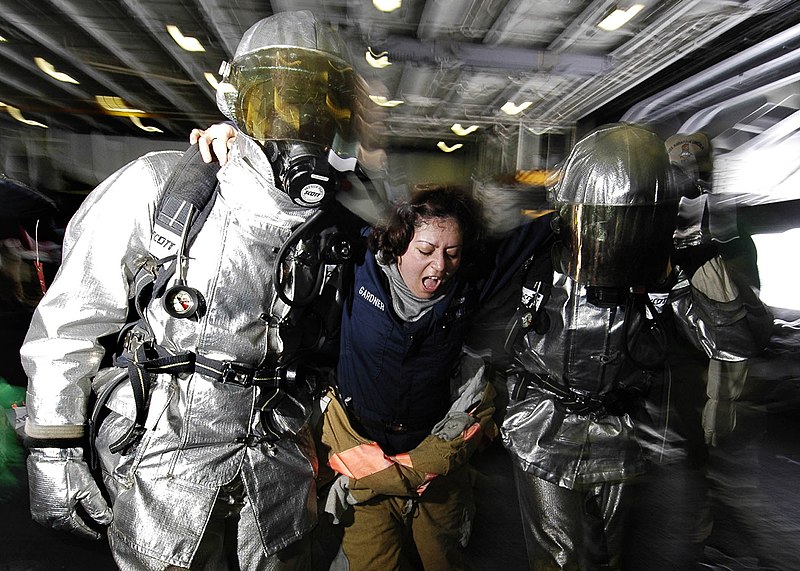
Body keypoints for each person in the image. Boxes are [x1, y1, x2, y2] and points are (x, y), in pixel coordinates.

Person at [20, 11, 366, 570]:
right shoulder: (164, 188)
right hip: (162, 478)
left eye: (319, 105)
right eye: (277, 100)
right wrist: (54, 451)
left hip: (278, 481)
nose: (296, 122)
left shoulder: (331, 226)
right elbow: (70, 324)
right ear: (240, 104)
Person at [192, 124, 554, 570]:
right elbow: (300, 186)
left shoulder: (469, 283)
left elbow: (540, 233)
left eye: (452, 252)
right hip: (363, 449)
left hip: (432, 450)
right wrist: (242, 145)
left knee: (444, 558)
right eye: (425, 248)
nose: (439, 265)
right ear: (401, 242)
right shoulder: (360, 264)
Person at [499, 123, 773, 570]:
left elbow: (735, 341)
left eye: (626, 221)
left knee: (607, 556)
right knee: (561, 559)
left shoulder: (660, 270)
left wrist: (695, 249)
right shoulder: (536, 257)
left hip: (620, 432)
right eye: (602, 219)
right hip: (542, 430)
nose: (610, 236)